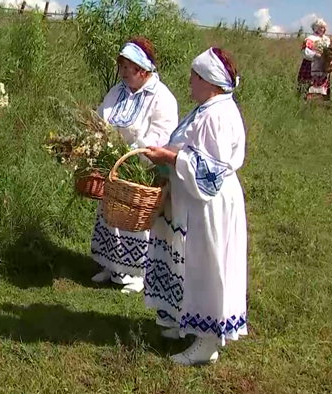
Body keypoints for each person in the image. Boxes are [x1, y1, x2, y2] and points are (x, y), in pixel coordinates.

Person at [143, 48, 247, 366]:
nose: (189, 81)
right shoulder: (207, 108)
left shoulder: (218, 115)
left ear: (209, 81)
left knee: (207, 267)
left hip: (210, 206)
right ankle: (182, 320)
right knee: (187, 263)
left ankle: (207, 342)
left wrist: (170, 157)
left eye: (194, 76)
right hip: (192, 200)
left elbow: (211, 170)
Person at [90, 37, 179, 294]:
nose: (123, 74)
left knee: (135, 219)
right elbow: (102, 117)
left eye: (129, 69)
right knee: (110, 214)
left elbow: (162, 135)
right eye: (121, 68)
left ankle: (137, 272)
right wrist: (102, 144)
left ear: (143, 70)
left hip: (141, 169)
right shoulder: (117, 91)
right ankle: (111, 265)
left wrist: (131, 154)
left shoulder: (162, 98)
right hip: (114, 165)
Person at [297, 19, 331, 101]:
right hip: (310, 64)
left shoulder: (327, 40)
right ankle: (306, 101)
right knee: (308, 84)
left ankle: (319, 103)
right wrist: (316, 55)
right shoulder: (310, 39)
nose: (323, 29)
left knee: (321, 84)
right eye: (321, 27)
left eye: (324, 28)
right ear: (316, 28)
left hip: (322, 66)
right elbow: (305, 52)